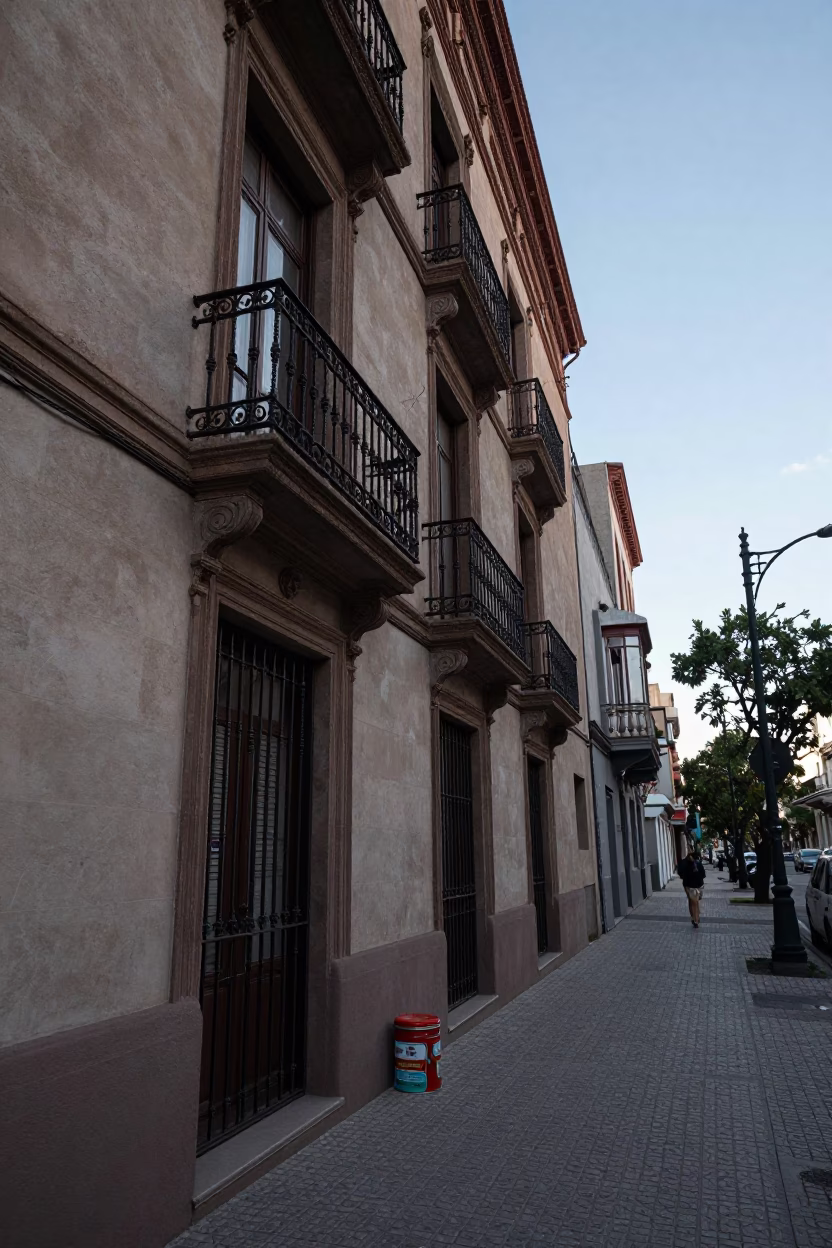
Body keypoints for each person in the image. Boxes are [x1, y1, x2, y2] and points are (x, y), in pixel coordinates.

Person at [678, 847, 706, 927]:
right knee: (696, 903)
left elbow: (682, 876)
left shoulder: (683, 864)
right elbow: (703, 875)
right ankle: (696, 919)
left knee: (692, 902)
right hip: (699, 885)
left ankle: (694, 918)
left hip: (689, 886)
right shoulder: (699, 864)